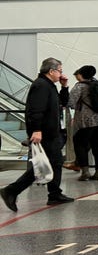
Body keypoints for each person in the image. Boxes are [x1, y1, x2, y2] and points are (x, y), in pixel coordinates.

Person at [0, 58, 74, 212]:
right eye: (60, 70)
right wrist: (36, 130)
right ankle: (11, 191)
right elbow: (35, 110)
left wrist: (64, 87)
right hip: (44, 133)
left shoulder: (49, 86)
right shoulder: (41, 86)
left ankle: (54, 194)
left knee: (55, 163)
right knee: (41, 166)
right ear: (51, 71)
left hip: (52, 132)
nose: (61, 73)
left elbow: (62, 103)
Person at [68, 65, 98, 181]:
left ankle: (85, 172)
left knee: (80, 144)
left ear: (81, 74)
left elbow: (71, 103)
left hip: (87, 121)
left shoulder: (79, 86)